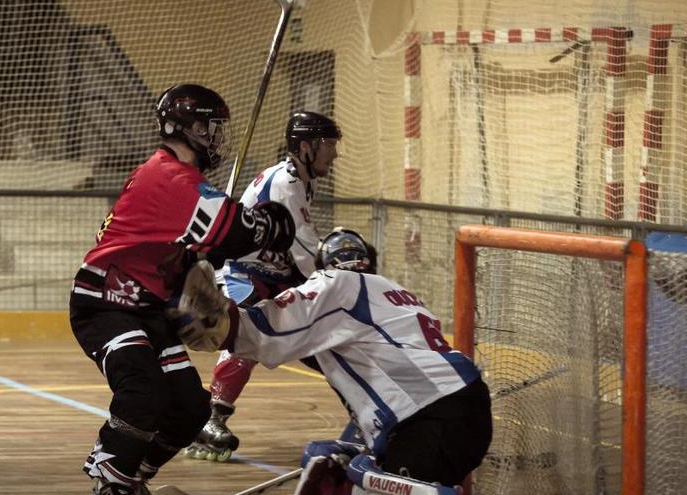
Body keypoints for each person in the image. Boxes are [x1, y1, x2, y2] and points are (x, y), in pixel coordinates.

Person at [69, 83, 296, 495]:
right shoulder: (170, 177)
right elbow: (237, 232)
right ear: (187, 128)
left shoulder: (181, 180)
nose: (217, 138)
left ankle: (134, 479)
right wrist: (272, 223)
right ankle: (111, 482)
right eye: (211, 128)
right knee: (143, 391)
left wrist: (200, 263)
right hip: (105, 304)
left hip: (147, 307)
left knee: (190, 411)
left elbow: (207, 246)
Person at [176, 228, 493, 492]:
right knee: (334, 460)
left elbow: (269, 328)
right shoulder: (396, 292)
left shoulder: (338, 284)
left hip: (428, 416)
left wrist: (220, 318)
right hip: (466, 408)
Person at [187, 110, 341, 461]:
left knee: (321, 338)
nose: (335, 153)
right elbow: (306, 257)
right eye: (329, 144)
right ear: (305, 147)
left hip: (273, 275)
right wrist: (336, 283)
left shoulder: (301, 179)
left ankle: (363, 408)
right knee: (249, 330)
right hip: (246, 275)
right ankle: (212, 417)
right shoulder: (285, 185)